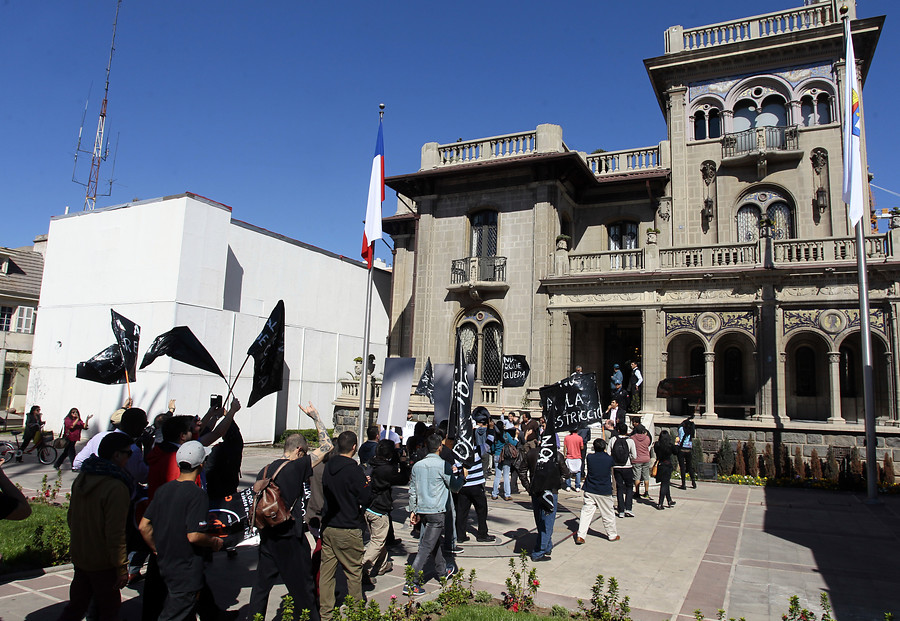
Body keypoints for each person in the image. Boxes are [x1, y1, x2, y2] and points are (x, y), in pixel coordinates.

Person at [139, 441, 224, 621]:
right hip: (186, 568)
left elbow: (144, 526)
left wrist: (156, 548)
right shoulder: (197, 494)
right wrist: (214, 542)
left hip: (165, 563)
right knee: (175, 614)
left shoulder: (164, 490)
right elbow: (193, 536)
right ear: (201, 464)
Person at [58, 433, 135, 621]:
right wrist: (121, 566)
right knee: (108, 610)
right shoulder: (116, 487)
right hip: (103, 561)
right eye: (128, 454)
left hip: (81, 554)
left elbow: (71, 518)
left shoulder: (83, 478)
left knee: (76, 606)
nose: (129, 458)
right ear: (116, 455)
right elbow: (115, 532)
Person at [405, 432, 465, 596]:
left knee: (433, 543)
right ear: (439, 447)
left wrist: (413, 509)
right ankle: (411, 581)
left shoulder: (418, 465)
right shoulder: (443, 465)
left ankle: (442, 571)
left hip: (423, 509)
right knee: (426, 546)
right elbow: (455, 486)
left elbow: (412, 490)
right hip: (437, 510)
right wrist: (462, 477)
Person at [319, 430, 371, 621]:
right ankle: (356, 611)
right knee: (353, 571)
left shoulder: (328, 465)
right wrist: (367, 484)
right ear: (354, 448)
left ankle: (326, 613)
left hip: (329, 525)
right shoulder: (354, 469)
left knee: (327, 572)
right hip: (348, 526)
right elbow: (365, 496)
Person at [362, 440, 405, 585]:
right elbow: (402, 479)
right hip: (379, 508)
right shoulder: (386, 469)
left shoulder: (370, 464)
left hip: (368, 506)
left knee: (379, 538)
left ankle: (381, 565)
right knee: (377, 540)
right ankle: (363, 568)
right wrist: (401, 462)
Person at [526, 433, 567, 562]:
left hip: (536, 491)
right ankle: (539, 551)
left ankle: (547, 545)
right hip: (550, 492)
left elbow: (522, 471)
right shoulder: (557, 455)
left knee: (540, 520)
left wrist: (529, 487)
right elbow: (566, 472)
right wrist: (559, 482)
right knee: (547, 522)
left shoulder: (532, 453)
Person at [575, 438, 619, 544]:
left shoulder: (590, 457)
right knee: (608, 513)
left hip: (590, 488)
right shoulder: (609, 459)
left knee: (586, 513)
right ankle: (612, 534)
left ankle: (581, 535)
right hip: (603, 490)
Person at [454, 440, 495, 544]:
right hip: (476, 485)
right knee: (481, 510)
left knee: (462, 512)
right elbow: (489, 442)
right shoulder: (476, 449)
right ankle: (482, 534)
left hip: (463, 486)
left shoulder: (456, 453)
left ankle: (460, 535)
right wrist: (490, 427)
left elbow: (454, 470)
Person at [610, 422, 637, 518]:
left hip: (616, 467)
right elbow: (634, 456)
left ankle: (621, 510)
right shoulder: (630, 441)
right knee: (629, 487)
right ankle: (628, 508)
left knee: (619, 488)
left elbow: (609, 453)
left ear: (618, 431)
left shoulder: (613, 439)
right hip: (627, 466)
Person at [491, 420, 517, 501]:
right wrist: (516, 437)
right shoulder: (506, 434)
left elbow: (492, 447)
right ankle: (507, 494)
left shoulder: (494, 436)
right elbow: (513, 443)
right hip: (505, 456)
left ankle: (494, 493)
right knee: (506, 476)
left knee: (497, 476)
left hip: (497, 456)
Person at [654, 430, 677, 510]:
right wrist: (676, 444)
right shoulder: (670, 446)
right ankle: (660, 503)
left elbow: (656, 452)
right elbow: (676, 452)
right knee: (664, 484)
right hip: (667, 466)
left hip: (660, 465)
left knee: (666, 483)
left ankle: (669, 500)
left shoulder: (657, 445)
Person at [631, 421, 653, 499]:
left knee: (637, 477)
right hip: (646, 458)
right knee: (646, 476)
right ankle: (646, 492)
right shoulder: (647, 438)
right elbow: (649, 443)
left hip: (637, 459)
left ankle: (637, 492)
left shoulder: (633, 438)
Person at [677, 415, 697, 489]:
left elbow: (680, 425)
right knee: (689, 466)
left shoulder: (681, 429)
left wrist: (687, 419)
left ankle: (683, 484)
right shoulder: (691, 431)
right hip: (688, 449)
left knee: (682, 467)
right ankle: (693, 482)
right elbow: (692, 427)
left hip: (681, 449)